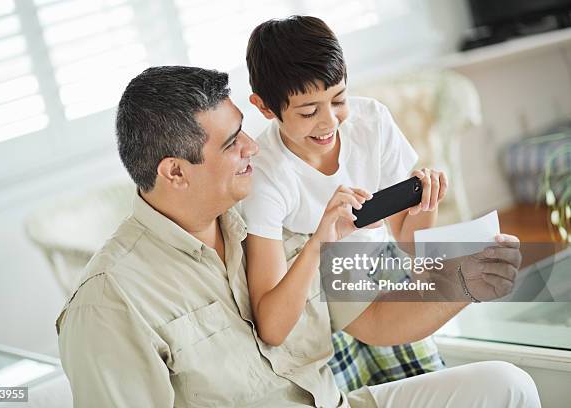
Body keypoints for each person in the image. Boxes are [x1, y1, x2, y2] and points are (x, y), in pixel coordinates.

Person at [56, 65, 540, 407]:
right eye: (231, 143)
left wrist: (465, 281)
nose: (253, 147)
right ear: (175, 172)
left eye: (243, 131)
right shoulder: (110, 301)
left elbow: (376, 319)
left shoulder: (268, 217)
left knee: (505, 385)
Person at [241, 15, 444, 387]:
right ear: (265, 107)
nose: (329, 122)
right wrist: (321, 238)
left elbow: (411, 248)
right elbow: (270, 323)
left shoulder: (372, 122)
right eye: (307, 111)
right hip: (317, 301)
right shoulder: (264, 175)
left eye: (338, 99)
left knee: (426, 381)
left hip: (383, 274)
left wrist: (424, 206)